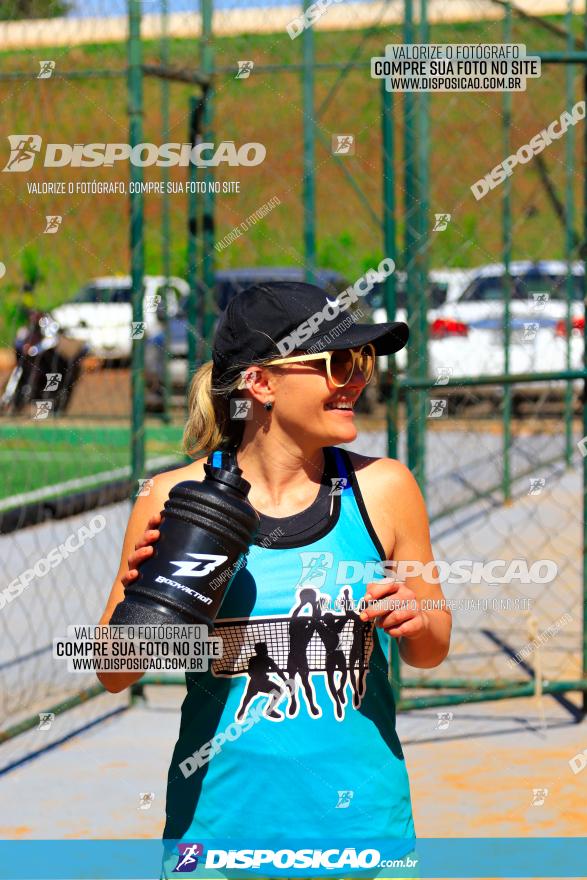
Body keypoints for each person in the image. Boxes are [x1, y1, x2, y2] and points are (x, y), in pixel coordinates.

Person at [97, 281, 452, 880]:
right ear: (260, 383)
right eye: (338, 363)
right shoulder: (175, 499)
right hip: (218, 838)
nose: (356, 380)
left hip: (362, 836)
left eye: (362, 362)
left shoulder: (386, 489)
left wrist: (417, 621)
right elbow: (112, 672)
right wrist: (152, 605)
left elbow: (433, 648)